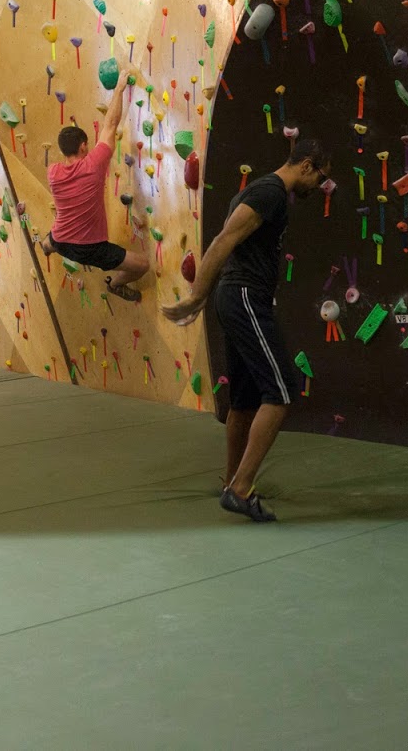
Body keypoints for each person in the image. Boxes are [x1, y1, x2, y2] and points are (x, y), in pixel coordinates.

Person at [162, 138, 331, 522]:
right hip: (245, 298)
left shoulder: (260, 190)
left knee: (243, 401)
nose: (319, 185)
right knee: (282, 392)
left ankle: (231, 480)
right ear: (307, 164)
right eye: (320, 176)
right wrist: (195, 296)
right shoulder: (271, 192)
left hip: (237, 297)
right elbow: (224, 240)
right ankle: (241, 489)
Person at [46, 77, 148, 302]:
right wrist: (120, 87)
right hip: (88, 247)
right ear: (83, 146)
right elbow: (110, 125)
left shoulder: (53, 172)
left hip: (60, 239)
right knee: (142, 265)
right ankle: (116, 285)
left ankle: (47, 245)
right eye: (87, 145)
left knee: (54, 237)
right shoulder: (93, 165)